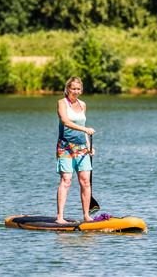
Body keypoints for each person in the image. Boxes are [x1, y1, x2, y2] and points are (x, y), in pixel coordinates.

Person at [55, 77, 96, 224]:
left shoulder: (83, 105)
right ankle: (60, 217)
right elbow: (65, 121)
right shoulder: (62, 103)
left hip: (82, 148)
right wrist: (85, 129)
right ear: (67, 89)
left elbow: (83, 126)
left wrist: (89, 146)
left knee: (85, 182)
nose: (76, 92)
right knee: (66, 180)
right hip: (65, 146)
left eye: (78, 89)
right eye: (73, 89)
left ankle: (86, 216)